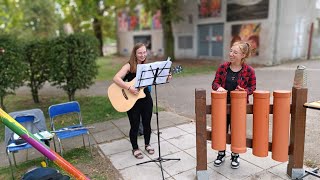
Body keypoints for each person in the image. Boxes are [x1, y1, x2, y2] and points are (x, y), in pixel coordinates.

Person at [211, 41, 256, 169]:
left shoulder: (249, 71)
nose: (231, 54)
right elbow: (215, 83)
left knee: (237, 131)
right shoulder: (223, 67)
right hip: (222, 107)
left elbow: (253, 87)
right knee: (221, 130)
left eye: (235, 52)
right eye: (231, 51)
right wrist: (218, 87)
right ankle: (221, 153)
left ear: (243, 55)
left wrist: (245, 91)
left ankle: (235, 155)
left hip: (239, 108)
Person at [113, 43, 154, 159]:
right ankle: (135, 148)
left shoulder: (147, 66)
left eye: (144, 52)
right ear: (135, 54)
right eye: (140, 53)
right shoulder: (129, 65)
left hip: (146, 98)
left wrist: (167, 76)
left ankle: (147, 144)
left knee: (147, 123)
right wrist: (129, 88)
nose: (142, 55)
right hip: (131, 101)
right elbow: (116, 78)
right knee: (135, 125)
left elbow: (153, 80)